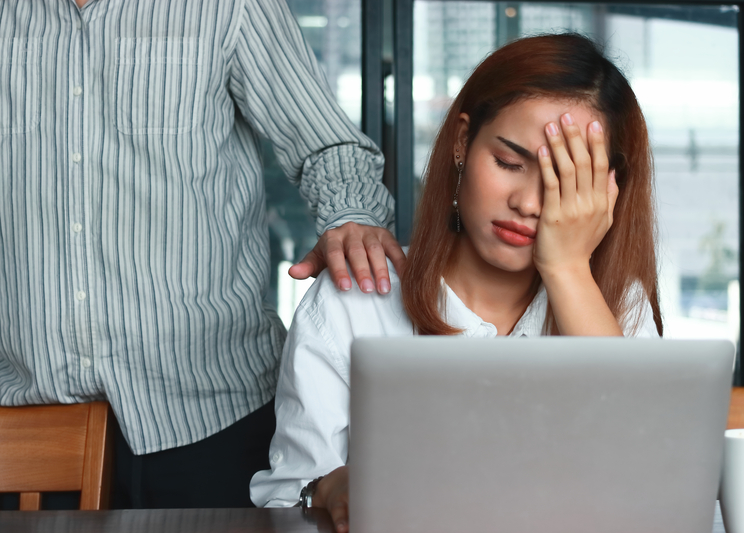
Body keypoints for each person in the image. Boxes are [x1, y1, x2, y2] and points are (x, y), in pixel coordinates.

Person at [249, 33, 664, 531]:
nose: (529, 203)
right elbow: (286, 493)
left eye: (562, 183)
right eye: (510, 164)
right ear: (463, 142)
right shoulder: (355, 301)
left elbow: (644, 488)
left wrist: (568, 269)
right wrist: (328, 487)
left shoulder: (618, 304)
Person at [0, 0, 404, 509]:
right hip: (30, 421)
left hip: (214, 412)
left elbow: (327, 145)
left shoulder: (229, 6)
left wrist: (350, 219)